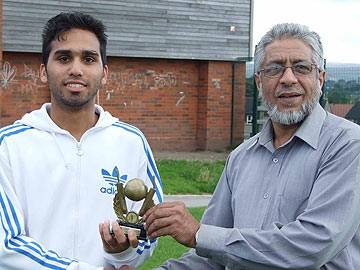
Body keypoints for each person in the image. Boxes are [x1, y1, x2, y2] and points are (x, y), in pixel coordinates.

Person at [142, 23, 360, 269]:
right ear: (258, 81)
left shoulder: (348, 145)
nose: (288, 79)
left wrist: (198, 234)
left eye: (301, 67)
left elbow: (314, 246)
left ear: (320, 78)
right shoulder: (240, 157)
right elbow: (211, 256)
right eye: (274, 69)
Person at [0, 12, 163, 270]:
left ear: (104, 72)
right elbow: (5, 244)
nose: (76, 69)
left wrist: (122, 253)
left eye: (88, 59)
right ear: (43, 71)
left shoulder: (131, 142)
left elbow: (150, 227)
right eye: (64, 58)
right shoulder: (8, 146)